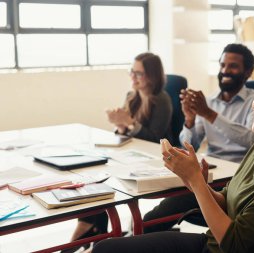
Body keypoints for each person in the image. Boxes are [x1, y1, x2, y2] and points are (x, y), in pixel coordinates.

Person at [92, 66, 254, 253]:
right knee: (106, 248)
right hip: (209, 245)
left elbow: (235, 244)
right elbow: (227, 202)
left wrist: (197, 183)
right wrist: (195, 182)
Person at [143, 43, 254, 233]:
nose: (225, 71)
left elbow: (252, 139)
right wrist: (189, 121)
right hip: (210, 173)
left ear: (248, 72)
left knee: (152, 221)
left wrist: (209, 114)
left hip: (236, 177)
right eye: (222, 65)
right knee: (153, 217)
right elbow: (192, 145)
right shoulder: (211, 101)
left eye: (233, 66)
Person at [62, 52, 173, 253]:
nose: (133, 77)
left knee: (105, 181)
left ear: (152, 76)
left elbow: (155, 138)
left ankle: (90, 229)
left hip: (155, 160)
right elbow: (125, 133)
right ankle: (94, 230)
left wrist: (129, 122)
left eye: (138, 73)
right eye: (131, 71)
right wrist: (120, 124)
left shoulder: (162, 100)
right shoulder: (131, 96)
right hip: (131, 155)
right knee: (95, 176)